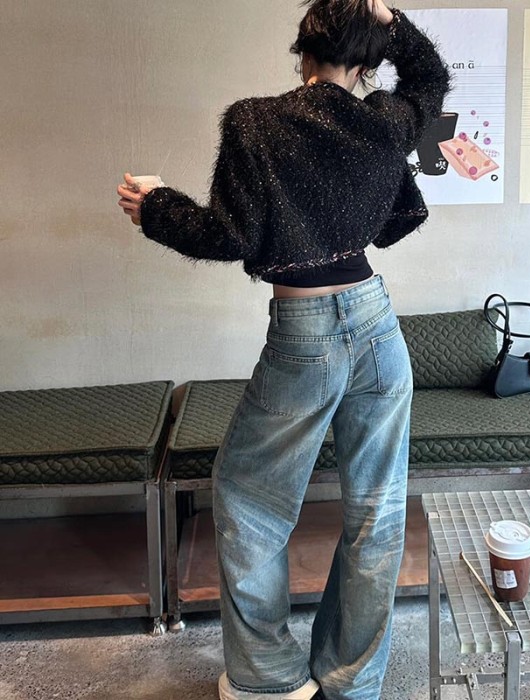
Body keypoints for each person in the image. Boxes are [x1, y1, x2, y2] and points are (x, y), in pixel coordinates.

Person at [117, 1, 449, 698]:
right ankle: (351, 682)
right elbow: (430, 78)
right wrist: (391, 20)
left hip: (305, 335)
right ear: (367, 62)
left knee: (248, 502)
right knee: (377, 514)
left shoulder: (255, 122)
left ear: (302, 50)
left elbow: (227, 236)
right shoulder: (384, 121)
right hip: (378, 327)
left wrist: (156, 206)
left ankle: (269, 678)